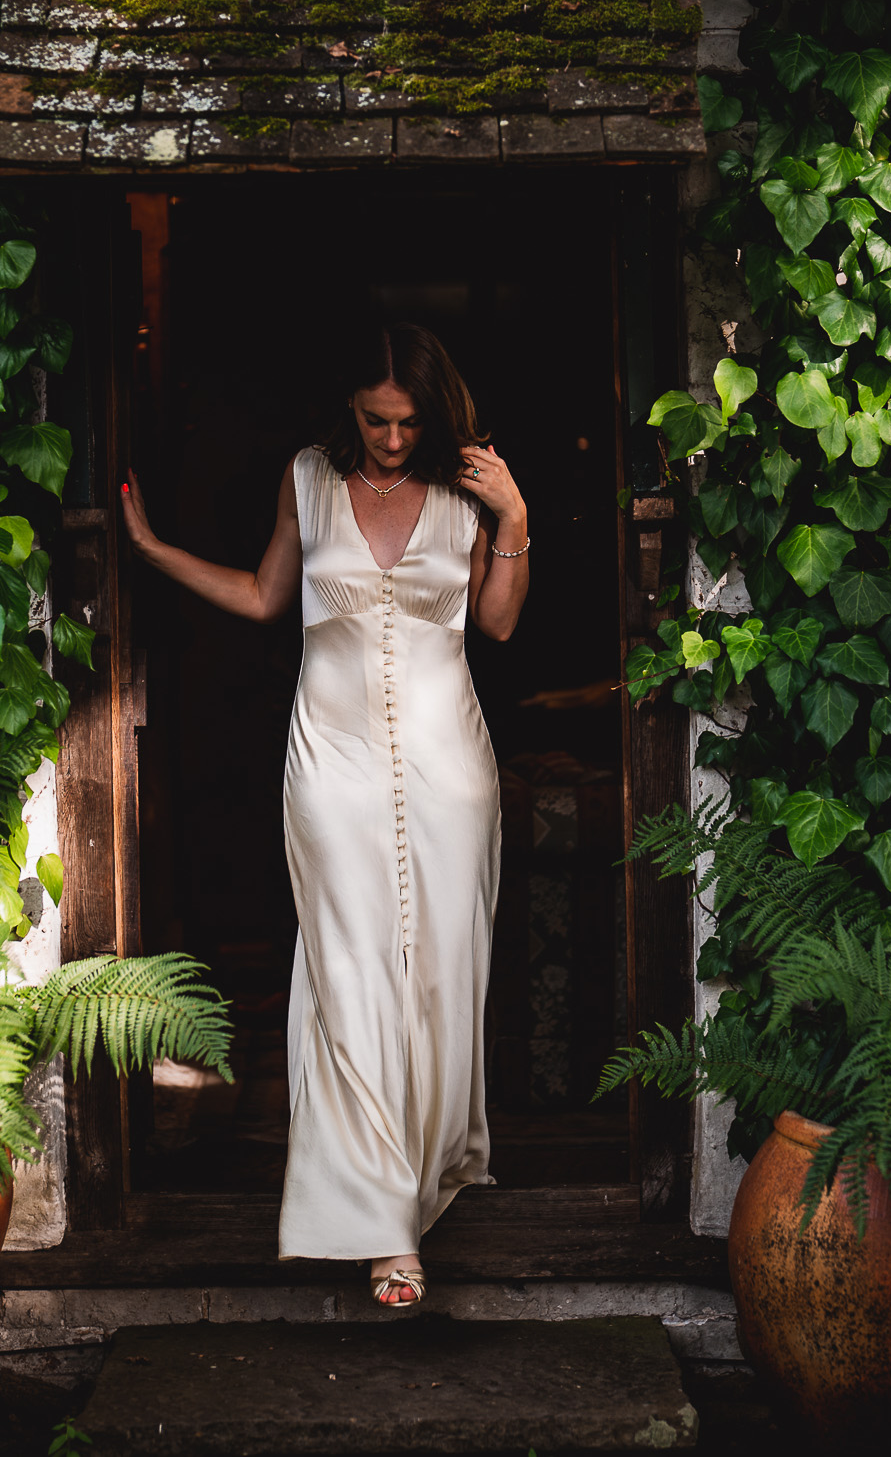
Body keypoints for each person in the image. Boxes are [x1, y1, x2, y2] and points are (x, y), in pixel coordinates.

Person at [119, 322, 529, 1308]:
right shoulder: (307, 477)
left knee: (433, 975)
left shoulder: (469, 487)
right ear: (348, 409)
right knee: (348, 975)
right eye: (374, 418)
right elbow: (266, 596)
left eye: (408, 421)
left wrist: (512, 514)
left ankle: (419, 1172)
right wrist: (152, 549)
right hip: (331, 767)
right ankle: (385, 1225)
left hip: (447, 768)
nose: (391, 439)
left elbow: (500, 620)